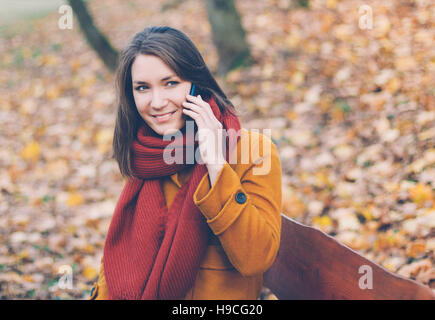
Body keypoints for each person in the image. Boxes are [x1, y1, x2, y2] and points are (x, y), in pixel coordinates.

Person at [89, 26, 282, 300]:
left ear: (196, 85)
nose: (157, 102)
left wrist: (216, 164)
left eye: (170, 83)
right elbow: (116, 264)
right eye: (143, 88)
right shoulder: (145, 155)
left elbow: (256, 258)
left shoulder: (253, 151)